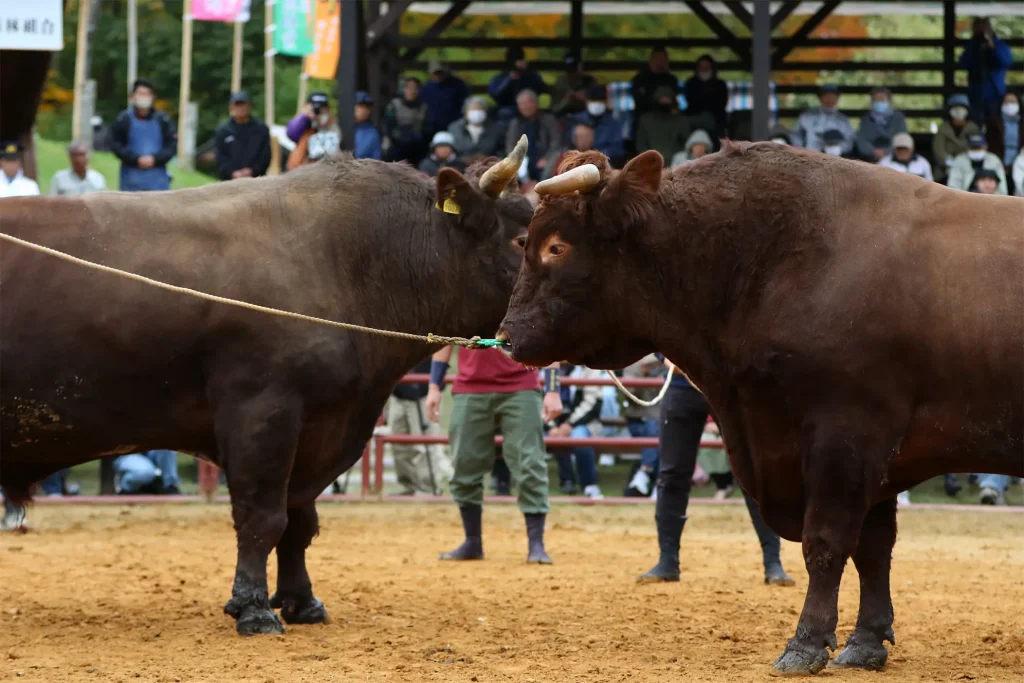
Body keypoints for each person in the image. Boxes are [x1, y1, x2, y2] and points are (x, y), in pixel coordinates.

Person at [637, 360, 794, 587]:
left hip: (727, 385)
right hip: (682, 385)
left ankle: (773, 562)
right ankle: (667, 560)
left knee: (751, 472)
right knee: (672, 473)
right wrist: (665, 358)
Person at [426, 347, 562, 564]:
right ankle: (472, 541)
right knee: (463, 463)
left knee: (530, 464)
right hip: (470, 386)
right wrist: (434, 385)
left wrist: (553, 390)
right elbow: (445, 338)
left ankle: (536, 544)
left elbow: (549, 335)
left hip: (521, 386)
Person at [388, 359, 451, 496]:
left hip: (423, 394)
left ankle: (429, 489)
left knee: (425, 445)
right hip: (397, 394)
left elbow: (441, 357)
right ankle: (409, 486)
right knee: (398, 444)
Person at [549, 364, 605, 500]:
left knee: (580, 439)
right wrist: (551, 426)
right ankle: (565, 480)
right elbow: (537, 400)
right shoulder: (545, 369)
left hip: (583, 422)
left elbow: (592, 403)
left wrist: (569, 424)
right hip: (550, 422)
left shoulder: (589, 369)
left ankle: (589, 484)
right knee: (535, 437)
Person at [109, 78, 176, 191]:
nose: (144, 97)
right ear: (132, 96)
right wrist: (136, 159)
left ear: (153, 97)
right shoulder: (123, 119)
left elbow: (172, 144)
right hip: (131, 180)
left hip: (158, 180)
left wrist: (155, 159)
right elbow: (115, 144)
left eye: (147, 94)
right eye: (140, 93)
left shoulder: (163, 120)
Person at [958, 17, 1014, 124]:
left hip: (995, 94)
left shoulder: (1000, 46)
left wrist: (992, 47)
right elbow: (964, 63)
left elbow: (1006, 62)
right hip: (976, 95)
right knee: (975, 126)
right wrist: (974, 45)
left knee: (995, 125)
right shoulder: (972, 46)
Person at [622, 354, 663, 498]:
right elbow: (629, 395)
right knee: (656, 431)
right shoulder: (632, 364)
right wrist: (642, 374)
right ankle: (660, 484)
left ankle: (645, 471)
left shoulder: (671, 365)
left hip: (663, 422)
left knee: (656, 429)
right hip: (638, 421)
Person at [214, 91, 271, 181]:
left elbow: (265, 155)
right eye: (237, 104)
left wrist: (251, 171)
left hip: (256, 181)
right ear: (231, 106)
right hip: (228, 182)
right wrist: (232, 173)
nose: (240, 108)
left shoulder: (261, 129)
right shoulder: (223, 131)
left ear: (249, 105)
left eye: (243, 104)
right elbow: (220, 157)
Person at [505, 89, 561, 181]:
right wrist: (517, 160)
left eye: (528, 102)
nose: (526, 106)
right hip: (523, 159)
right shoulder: (516, 123)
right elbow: (510, 144)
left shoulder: (549, 120)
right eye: (522, 104)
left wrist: (546, 159)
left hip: (544, 157)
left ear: (536, 103)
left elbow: (556, 143)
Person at [566, 85, 624, 165]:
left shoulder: (613, 123)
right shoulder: (574, 120)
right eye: (593, 101)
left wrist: (596, 155)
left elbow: (618, 150)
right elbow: (566, 147)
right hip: (577, 163)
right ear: (586, 102)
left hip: (605, 165)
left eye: (600, 101)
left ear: (606, 102)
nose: (596, 104)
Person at [488, 46, 549, 122]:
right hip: (506, 112)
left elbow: (540, 89)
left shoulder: (531, 75)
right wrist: (509, 79)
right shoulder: (501, 77)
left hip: (529, 111)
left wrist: (527, 72)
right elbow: (495, 94)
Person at [791, 84, 854, 155]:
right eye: (826, 95)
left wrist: (839, 149)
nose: (829, 98)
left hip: (836, 160)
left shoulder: (843, 120)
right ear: (820, 98)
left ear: (837, 98)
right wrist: (799, 151)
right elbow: (796, 136)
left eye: (832, 96)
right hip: (810, 157)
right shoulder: (807, 116)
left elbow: (850, 141)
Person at [636, 86, 690, 167]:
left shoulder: (681, 120)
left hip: (677, 164)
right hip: (651, 164)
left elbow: (687, 144)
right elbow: (641, 146)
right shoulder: (645, 120)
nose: (664, 102)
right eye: (662, 99)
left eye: (667, 99)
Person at [932, 94, 981, 184]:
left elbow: (976, 146)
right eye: (955, 108)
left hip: (968, 168)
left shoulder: (973, 128)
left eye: (961, 108)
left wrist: (963, 163)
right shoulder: (943, 128)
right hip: (945, 170)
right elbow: (938, 148)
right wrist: (948, 162)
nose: (958, 111)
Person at [630, 46, 678, 136]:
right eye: (657, 59)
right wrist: (658, 102)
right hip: (645, 117)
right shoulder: (640, 79)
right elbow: (639, 100)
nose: (660, 63)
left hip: (668, 118)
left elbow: (674, 102)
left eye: (663, 59)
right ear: (650, 61)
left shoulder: (672, 80)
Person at [286, 91, 341, 169]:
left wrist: (325, 122)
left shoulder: (334, 124)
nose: (318, 110)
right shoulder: (305, 125)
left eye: (322, 107)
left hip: (329, 169)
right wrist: (304, 116)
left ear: (328, 108)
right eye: (315, 107)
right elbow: (291, 133)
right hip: (306, 170)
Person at [419, 59, 470, 139]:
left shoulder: (458, 85)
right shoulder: (426, 88)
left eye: (440, 72)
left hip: (454, 126)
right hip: (432, 128)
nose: (438, 75)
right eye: (435, 73)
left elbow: (466, 104)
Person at [682, 55, 728, 141]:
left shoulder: (720, 84)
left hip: (716, 122)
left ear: (712, 68)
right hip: (694, 121)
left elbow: (721, 104)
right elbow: (691, 102)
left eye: (707, 67)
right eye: (701, 67)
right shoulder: (691, 83)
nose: (704, 69)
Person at [382, 76, 427, 165]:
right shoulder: (393, 105)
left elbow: (426, 130)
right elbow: (388, 128)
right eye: (409, 88)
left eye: (415, 88)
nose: (412, 91)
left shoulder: (423, 108)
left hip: (416, 149)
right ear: (403, 89)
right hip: (396, 146)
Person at [855, 87, 908, 161]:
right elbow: (861, 140)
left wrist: (886, 152)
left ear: (889, 101)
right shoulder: (866, 119)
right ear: (872, 102)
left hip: (895, 159)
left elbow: (903, 139)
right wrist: (874, 151)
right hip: (870, 159)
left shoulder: (898, 118)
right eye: (876, 100)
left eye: (882, 99)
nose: (879, 102)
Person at [447, 96, 504, 162]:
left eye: (480, 109)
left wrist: (489, 159)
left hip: (488, 167)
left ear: (485, 112)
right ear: (465, 112)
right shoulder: (454, 129)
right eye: (473, 109)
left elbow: (501, 152)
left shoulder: (496, 130)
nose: (476, 112)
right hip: (459, 166)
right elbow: (449, 152)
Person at [986, 91, 1022, 191]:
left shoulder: (1022, 123)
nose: (1010, 105)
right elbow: (990, 145)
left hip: (1020, 162)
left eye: (1013, 102)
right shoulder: (994, 123)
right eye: (1007, 102)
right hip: (999, 162)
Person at [114, 451, 181, 494]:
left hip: (149, 451)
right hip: (128, 453)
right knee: (147, 472)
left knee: (168, 449)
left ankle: (171, 488)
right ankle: (125, 488)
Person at [352, 91, 382, 160]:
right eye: (361, 106)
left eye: (367, 107)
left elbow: (376, 163)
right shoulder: (340, 127)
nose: (365, 110)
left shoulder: (372, 134)